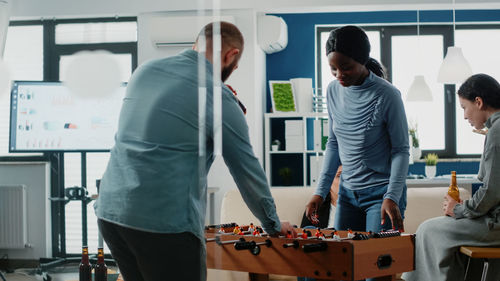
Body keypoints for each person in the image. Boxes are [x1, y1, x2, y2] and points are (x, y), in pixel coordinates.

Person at [94, 21, 295, 281]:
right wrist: (274, 225)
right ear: (230, 56)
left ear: (196, 45)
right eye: (233, 68)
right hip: (163, 225)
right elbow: (247, 171)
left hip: (112, 214)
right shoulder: (218, 96)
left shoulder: (145, 71)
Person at [305, 25, 409, 235]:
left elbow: (401, 150)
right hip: (348, 193)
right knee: (343, 260)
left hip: (382, 194)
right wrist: (321, 192)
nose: (339, 75)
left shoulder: (388, 95)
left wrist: (392, 196)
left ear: (362, 60)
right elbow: (334, 143)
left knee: (376, 262)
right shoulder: (333, 91)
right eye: (333, 68)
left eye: (346, 67)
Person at [403, 73, 500, 281]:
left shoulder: (497, 131)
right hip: (494, 219)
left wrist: (458, 209)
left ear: (479, 102)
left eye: (464, 108)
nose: (465, 116)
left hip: (496, 225)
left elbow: (491, 191)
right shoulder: (494, 129)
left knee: (428, 229)